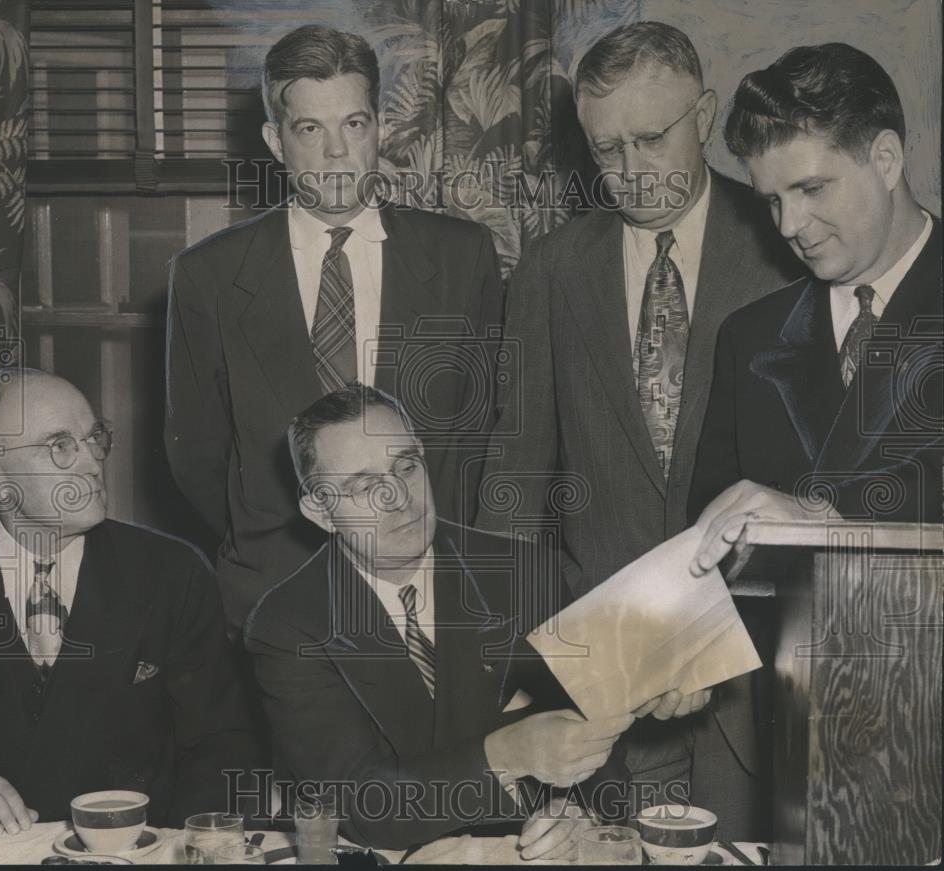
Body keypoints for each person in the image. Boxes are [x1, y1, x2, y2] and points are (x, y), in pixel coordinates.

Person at [476, 21, 800, 832]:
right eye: (606, 149)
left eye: (651, 139)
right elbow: (516, 479)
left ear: (705, 116)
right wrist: (516, 671)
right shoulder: (553, 269)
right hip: (602, 684)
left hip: (758, 681)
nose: (630, 172)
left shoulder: (788, 248)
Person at [245, 383, 709, 852]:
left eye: (405, 466)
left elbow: (596, 738)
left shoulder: (526, 572)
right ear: (320, 511)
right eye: (365, 486)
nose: (398, 497)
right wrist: (506, 754)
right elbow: (361, 805)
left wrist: (578, 811)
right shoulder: (288, 625)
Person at [165, 24, 503, 630]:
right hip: (274, 591)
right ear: (275, 140)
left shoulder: (462, 257)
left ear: (382, 127)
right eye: (309, 129)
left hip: (428, 584)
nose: (337, 153)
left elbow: (480, 435)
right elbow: (197, 455)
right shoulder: (208, 276)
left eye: (354, 123)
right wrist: (279, 534)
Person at [0, 369, 262, 833]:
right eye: (60, 446)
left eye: (94, 438)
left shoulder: (172, 572)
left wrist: (186, 847)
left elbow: (222, 744)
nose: (92, 461)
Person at [689, 42, 942, 571]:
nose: (788, 226)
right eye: (773, 200)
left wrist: (829, 513)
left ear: (886, 159)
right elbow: (712, 554)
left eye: (811, 188)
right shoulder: (747, 339)